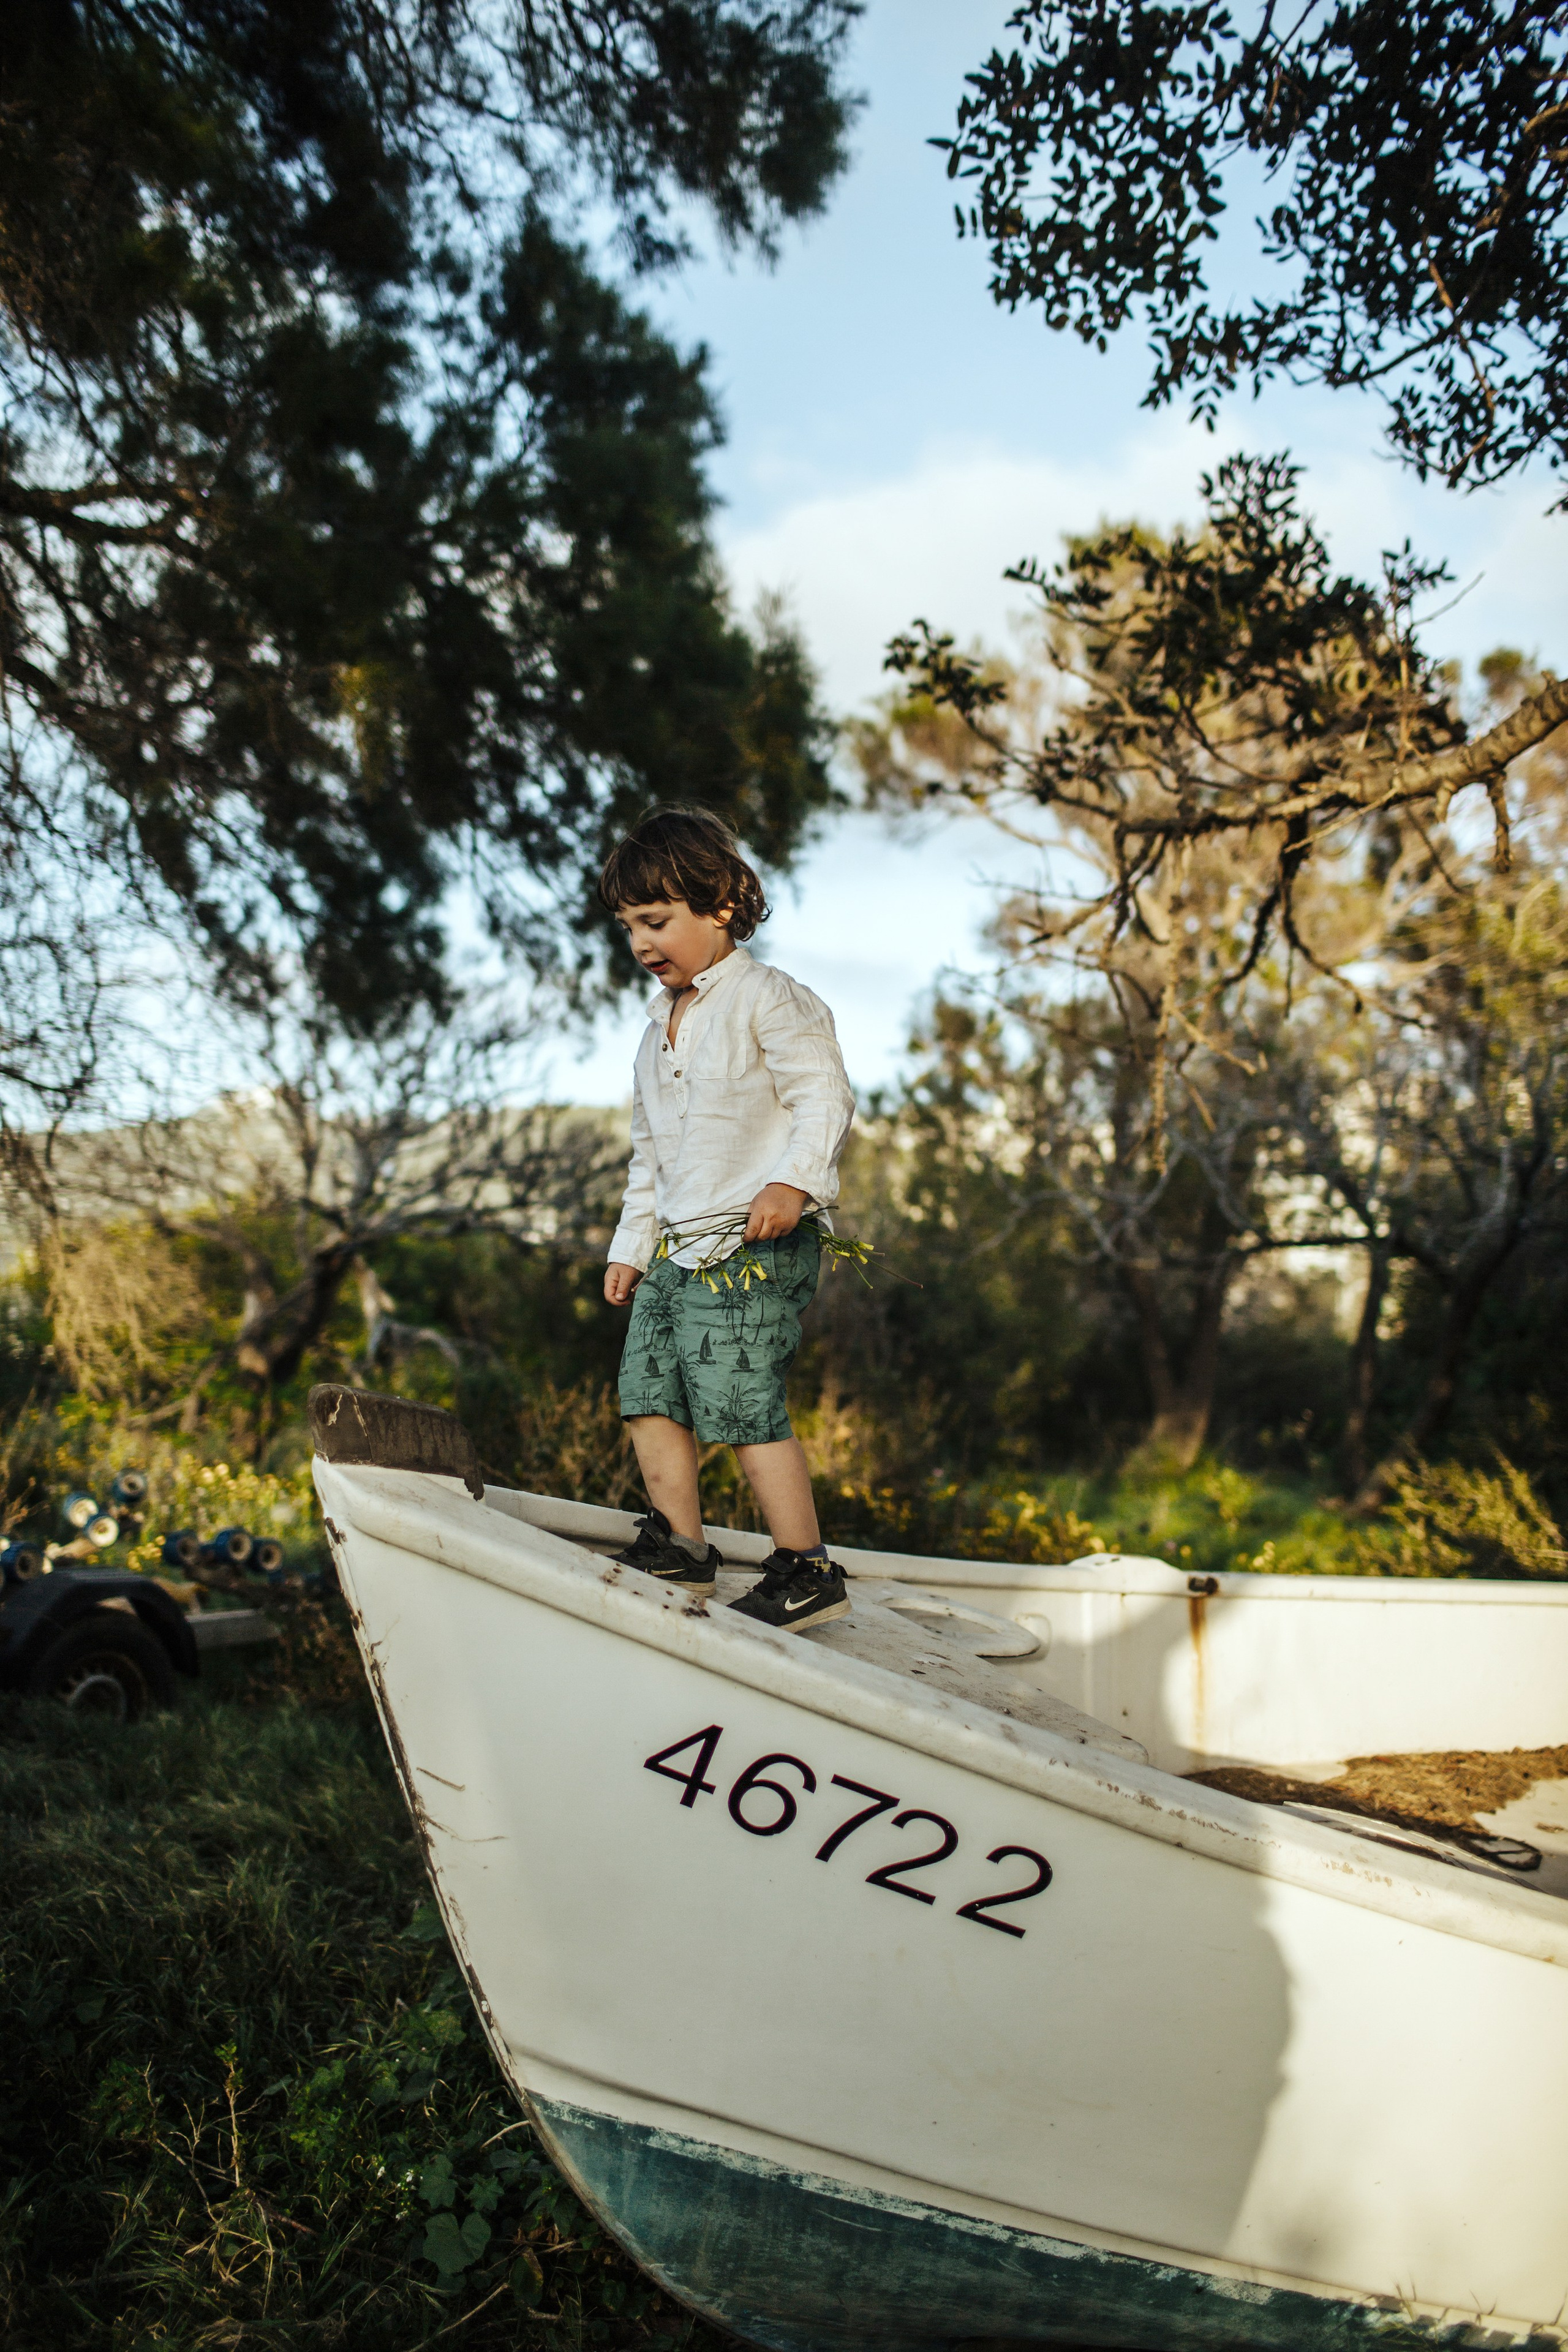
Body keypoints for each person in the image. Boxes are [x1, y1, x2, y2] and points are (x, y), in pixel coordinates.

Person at [600, 807, 856, 1631]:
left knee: (741, 1397)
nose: (641, 942)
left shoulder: (767, 999)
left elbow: (824, 1096)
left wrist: (793, 1184)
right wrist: (631, 1248)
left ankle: (805, 1566)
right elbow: (652, 1155)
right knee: (647, 1391)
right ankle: (683, 1546)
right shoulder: (654, 1035)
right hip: (678, 1248)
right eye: (628, 927)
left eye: (657, 920)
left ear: (718, 906)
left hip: (755, 1240)